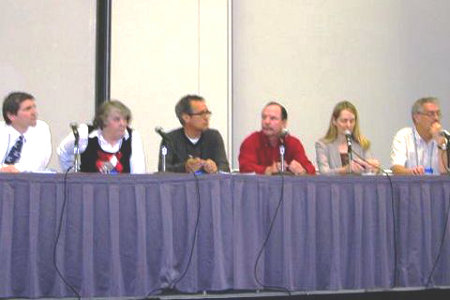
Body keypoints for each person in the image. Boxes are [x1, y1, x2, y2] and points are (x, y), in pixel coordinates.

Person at [57, 100, 145, 173]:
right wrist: (72, 174)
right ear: (104, 120)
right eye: (117, 119)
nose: (123, 124)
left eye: (125, 119)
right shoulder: (85, 134)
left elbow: (138, 174)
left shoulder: (133, 137)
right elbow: (63, 151)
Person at [157, 94, 230, 173]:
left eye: (207, 113)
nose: (206, 117)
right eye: (201, 114)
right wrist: (184, 167)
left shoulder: (213, 136)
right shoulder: (169, 139)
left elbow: (225, 168)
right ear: (186, 118)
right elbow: (163, 170)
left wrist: (215, 168)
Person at [239, 101, 315, 175]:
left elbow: (310, 169)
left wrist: (302, 171)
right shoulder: (251, 141)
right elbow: (245, 168)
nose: (267, 122)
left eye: (273, 118)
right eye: (264, 117)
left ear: (284, 123)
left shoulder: (292, 143)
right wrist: (267, 170)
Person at [315, 101, 380, 175]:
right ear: (334, 121)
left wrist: (373, 168)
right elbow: (324, 172)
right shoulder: (323, 145)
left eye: (352, 121)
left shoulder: (363, 144)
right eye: (344, 121)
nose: (348, 125)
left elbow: (370, 172)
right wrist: (345, 169)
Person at [391, 97, 448, 175]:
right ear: (417, 117)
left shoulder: (446, 137)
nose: (436, 118)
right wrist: (412, 172)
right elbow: (396, 169)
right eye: (431, 114)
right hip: (411, 185)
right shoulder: (404, 136)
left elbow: (445, 173)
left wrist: (441, 143)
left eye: (438, 114)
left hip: (438, 187)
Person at [0, 92, 51, 173]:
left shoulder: (41, 129)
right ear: (11, 116)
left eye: (34, 107)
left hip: (28, 183)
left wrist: (12, 169)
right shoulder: (2, 130)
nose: (34, 113)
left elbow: (38, 162)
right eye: (27, 109)